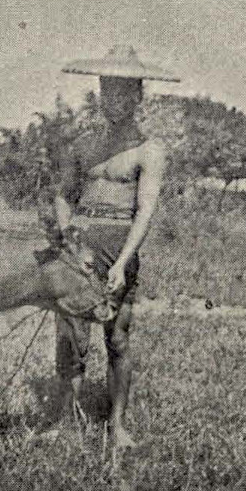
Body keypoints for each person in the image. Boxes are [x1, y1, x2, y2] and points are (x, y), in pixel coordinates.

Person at [41, 45, 179, 451]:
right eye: (107, 91)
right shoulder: (83, 145)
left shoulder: (149, 150)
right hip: (80, 247)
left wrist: (122, 262)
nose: (114, 100)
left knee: (117, 339)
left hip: (119, 249)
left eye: (123, 92)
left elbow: (145, 210)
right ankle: (66, 421)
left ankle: (117, 426)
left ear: (138, 95)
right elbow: (64, 195)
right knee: (70, 337)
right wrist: (68, 237)